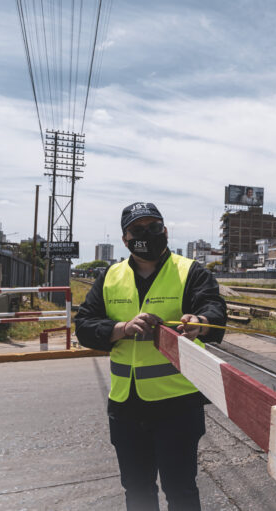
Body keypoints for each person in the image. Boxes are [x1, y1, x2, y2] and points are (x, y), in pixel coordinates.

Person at [75, 202, 227, 511]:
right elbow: (84, 325)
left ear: (165, 231)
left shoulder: (190, 271)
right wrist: (121, 328)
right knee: (137, 490)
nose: (147, 234)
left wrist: (198, 323)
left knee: (181, 490)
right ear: (125, 238)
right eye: (138, 229)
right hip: (125, 405)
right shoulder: (110, 276)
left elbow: (214, 309)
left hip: (178, 405)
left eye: (154, 227)